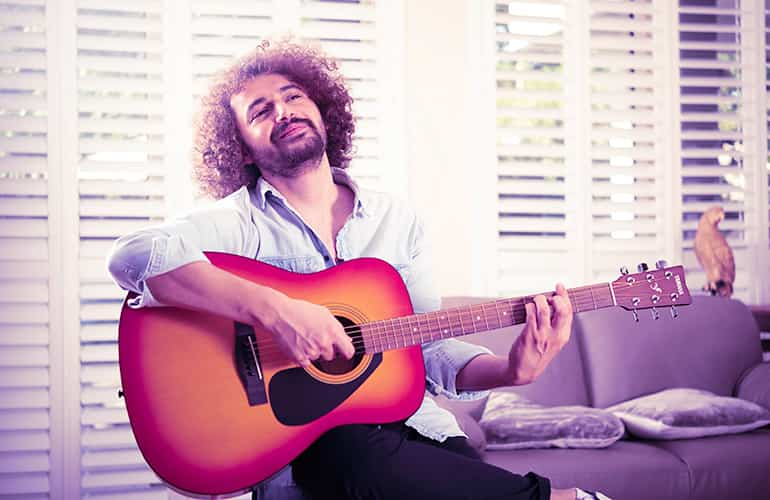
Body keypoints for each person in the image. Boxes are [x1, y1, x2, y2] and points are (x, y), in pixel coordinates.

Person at [107, 40, 609, 500]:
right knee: (342, 447)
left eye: (294, 97)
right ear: (240, 147)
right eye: (261, 111)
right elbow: (133, 255)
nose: (284, 112)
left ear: (322, 110)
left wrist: (510, 371)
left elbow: (425, 344)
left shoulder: (396, 219)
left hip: (415, 435)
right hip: (307, 451)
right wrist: (279, 311)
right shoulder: (235, 222)